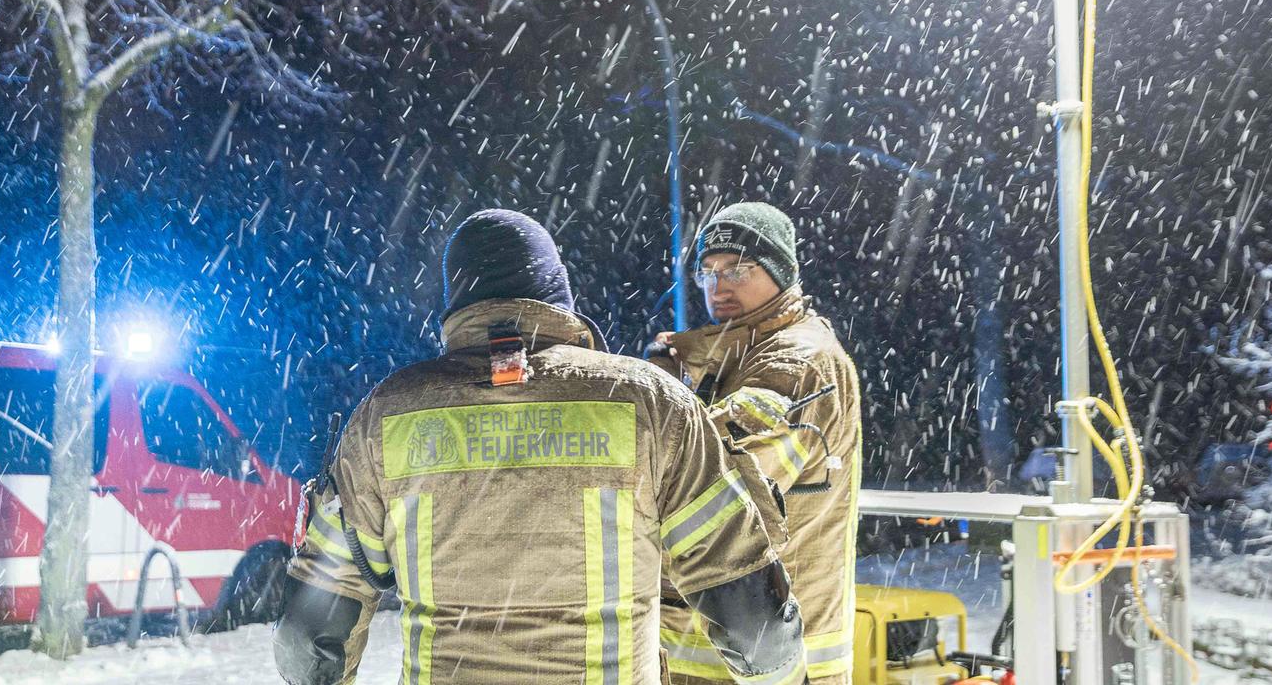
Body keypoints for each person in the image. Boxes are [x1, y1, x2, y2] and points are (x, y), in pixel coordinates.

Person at [275, 208, 809, 685]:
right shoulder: (651, 404)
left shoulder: (385, 416)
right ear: (556, 294)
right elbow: (754, 624)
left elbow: (307, 637)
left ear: (456, 301)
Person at [647, 203, 862, 685]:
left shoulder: (796, 362)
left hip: (768, 662)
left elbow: (712, 488)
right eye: (708, 272)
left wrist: (656, 408)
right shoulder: (732, 354)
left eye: (739, 270)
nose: (719, 287)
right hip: (725, 650)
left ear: (781, 273)